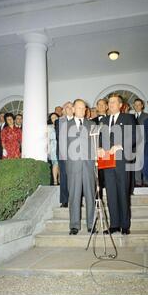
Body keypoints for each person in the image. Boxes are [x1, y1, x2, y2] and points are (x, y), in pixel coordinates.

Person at [98, 94, 136, 235]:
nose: (111, 104)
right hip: (107, 161)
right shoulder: (105, 120)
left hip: (121, 161)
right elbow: (100, 138)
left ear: (120, 105)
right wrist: (99, 147)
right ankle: (114, 224)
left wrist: (120, 145)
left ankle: (125, 224)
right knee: (111, 193)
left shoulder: (127, 118)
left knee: (122, 192)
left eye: (114, 102)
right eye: (110, 102)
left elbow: (134, 136)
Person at [66, 99, 96, 235]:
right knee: (74, 196)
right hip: (73, 167)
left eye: (84, 108)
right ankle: (74, 225)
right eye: (79, 108)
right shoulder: (65, 125)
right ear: (73, 109)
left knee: (90, 195)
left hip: (89, 166)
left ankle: (91, 224)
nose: (82, 111)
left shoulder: (92, 124)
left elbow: (96, 145)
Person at [55, 102, 74, 208]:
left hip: (76, 153)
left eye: (71, 107)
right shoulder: (59, 121)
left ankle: (76, 199)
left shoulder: (78, 120)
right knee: (64, 177)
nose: (70, 109)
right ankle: (64, 200)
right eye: (67, 107)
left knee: (76, 177)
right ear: (64, 110)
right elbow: (60, 135)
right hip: (63, 153)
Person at [91, 99, 108, 199]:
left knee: (110, 178)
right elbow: (92, 138)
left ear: (106, 107)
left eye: (103, 105)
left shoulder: (112, 120)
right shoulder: (92, 122)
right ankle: (98, 202)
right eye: (99, 105)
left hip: (110, 152)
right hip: (97, 153)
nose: (101, 106)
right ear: (97, 107)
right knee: (98, 178)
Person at [133, 98, 148, 188]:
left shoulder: (147, 116)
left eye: (139, 104)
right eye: (135, 105)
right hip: (134, 144)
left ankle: (147, 181)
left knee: (145, 163)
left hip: (144, 143)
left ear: (142, 106)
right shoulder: (131, 117)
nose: (137, 106)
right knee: (136, 163)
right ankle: (138, 182)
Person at [47, 113, 60, 185]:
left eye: (55, 117)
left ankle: (60, 179)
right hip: (53, 147)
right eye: (52, 118)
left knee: (61, 164)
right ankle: (55, 180)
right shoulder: (49, 127)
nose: (54, 119)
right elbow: (47, 139)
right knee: (55, 163)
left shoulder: (62, 125)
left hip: (61, 146)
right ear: (50, 120)